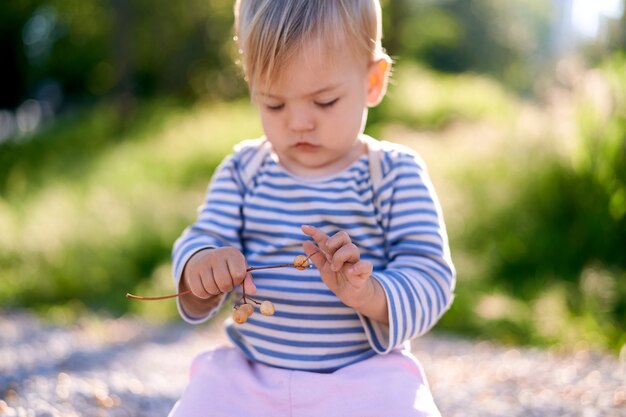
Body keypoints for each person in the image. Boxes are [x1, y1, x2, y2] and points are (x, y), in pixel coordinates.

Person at [168, 0, 456, 416]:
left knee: (403, 405)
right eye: (274, 104)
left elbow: (431, 276)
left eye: (323, 102)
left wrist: (370, 293)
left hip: (364, 375)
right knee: (203, 400)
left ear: (373, 82)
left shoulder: (392, 175)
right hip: (252, 374)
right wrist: (203, 265)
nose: (299, 121)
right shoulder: (244, 171)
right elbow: (202, 238)